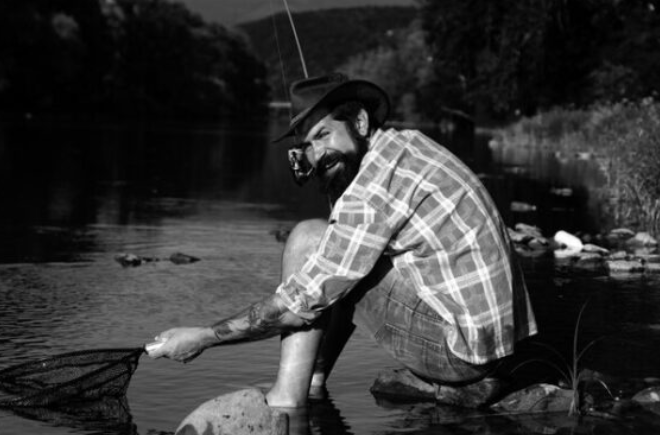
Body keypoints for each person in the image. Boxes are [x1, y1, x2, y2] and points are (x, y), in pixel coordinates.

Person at [146, 72, 536, 408]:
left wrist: (203, 336)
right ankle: (314, 380)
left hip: (462, 352)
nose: (316, 154)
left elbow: (295, 304)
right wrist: (331, 175)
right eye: (307, 145)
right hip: (492, 340)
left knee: (309, 240)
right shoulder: (403, 146)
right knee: (336, 254)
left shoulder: (370, 190)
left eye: (323, 134)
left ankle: (288, 396)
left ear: (361, 121)